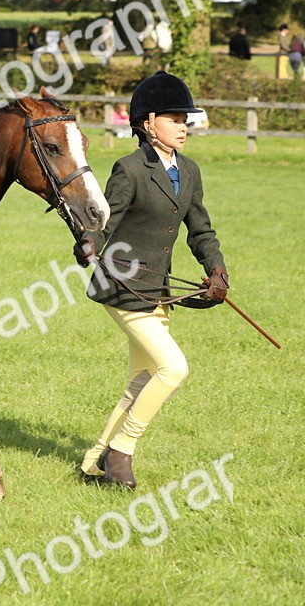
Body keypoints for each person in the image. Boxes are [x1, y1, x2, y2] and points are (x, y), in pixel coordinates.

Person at [74, 71, 228, 489]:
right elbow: (106, 221)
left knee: (139, 383)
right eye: (174, 119)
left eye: (185, 119)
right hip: (122, 287)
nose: (183, 126)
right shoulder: (129, 169)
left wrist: (217, 269)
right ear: (148, 123)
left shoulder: (190, 171)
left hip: (158, 292)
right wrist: (88, 242)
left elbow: (201, 230)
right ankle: (121, 451)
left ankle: (93, 464)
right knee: (173, 368)